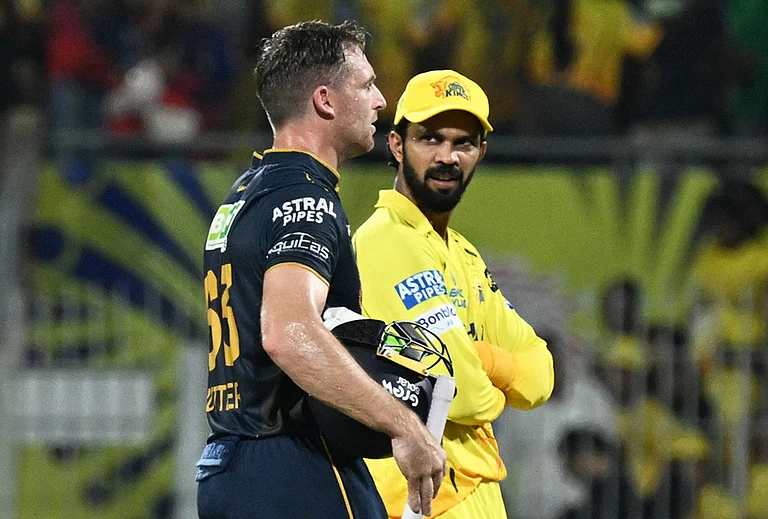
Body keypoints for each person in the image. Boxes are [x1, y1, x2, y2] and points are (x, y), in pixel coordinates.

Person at [196, 21, 446, 519]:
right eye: (367, 85)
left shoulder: (247, 193)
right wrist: (403, 425)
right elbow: (288, 332)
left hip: (228, 467)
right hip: (294, 467)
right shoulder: (305, 198)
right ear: (325, 101)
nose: (380, 101)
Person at [353, 69, 555, 518]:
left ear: (481, 152)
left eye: (463, 143)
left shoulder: (463, 254)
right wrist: (496, 383)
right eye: (430, 139)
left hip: (473, 491)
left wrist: (481, 359)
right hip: (423, 497)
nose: (447, 156)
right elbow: (458, 391)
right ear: (397, 145)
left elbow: (541, 373)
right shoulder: (386, 240)